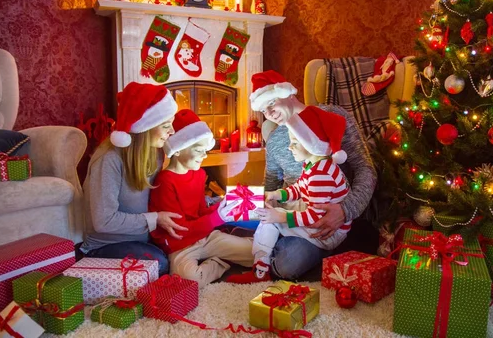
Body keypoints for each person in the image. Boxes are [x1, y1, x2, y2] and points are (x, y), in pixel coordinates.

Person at [249, 70, 376, 280]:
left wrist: (345, 210)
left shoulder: (331, 117)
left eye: (272, 103)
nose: (269, 113)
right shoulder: (275, 139)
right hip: (291, 208)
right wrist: (267, 200)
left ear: (288, 93)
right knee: (232, 208)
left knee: (287, 263)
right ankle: (259, 243)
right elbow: (270, 184)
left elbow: (366, 170)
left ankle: (260, 248)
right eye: (263, 110)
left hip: (323, 222)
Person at [228, 106, 350, 283]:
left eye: (295, 142)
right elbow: (299, 188)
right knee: (253, 208)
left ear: (311, 143)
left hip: (326, 231)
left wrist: (280, 217)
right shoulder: (312, 165)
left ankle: (260, 270)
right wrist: (275, 194)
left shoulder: (320, 174)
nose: (290, 147)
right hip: (311, 219)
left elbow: (315, 216)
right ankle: (232, 222)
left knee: (269, 221)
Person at [80, 82, 187, 276]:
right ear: (145, 128)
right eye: (165, 126)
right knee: (161, 264)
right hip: (105, 246)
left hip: (142, 236)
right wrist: (155, 219)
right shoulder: (108, 159)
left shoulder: (156, 154)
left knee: (187, 249)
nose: (171, 131)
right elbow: (103, 221)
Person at [149, 109, 254, 286]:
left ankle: (225, 253)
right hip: (179, 245)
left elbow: (200, 212)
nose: (205, 156)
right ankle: (221, 262)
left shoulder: (198, 175)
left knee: (256, 253)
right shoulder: (165, 181)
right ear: (177, 150)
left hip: (204, 236)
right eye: (199, 150)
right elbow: (178, 230)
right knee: (189, 279)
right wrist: (217, 218)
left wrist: (222, 205)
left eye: (206, 150)